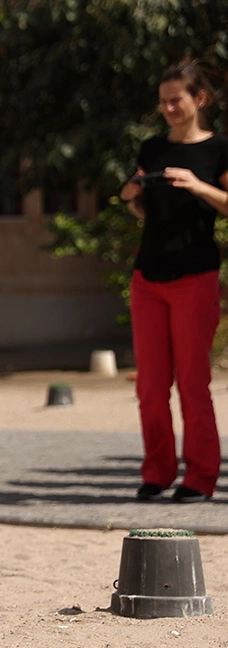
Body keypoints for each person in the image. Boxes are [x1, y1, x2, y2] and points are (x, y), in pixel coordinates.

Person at [119, 61, 228, 504]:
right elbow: (147, 210)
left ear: (198, 99)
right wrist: (131, 197)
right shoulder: (151, 148)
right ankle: (157, 471)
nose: (167, 108)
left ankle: (201, 477)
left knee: (192, 381)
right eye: (163, 101)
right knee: (149, 384)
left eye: (175, 100)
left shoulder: (218, 150)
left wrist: (198, 185)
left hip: (195, 276)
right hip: (148, 276)